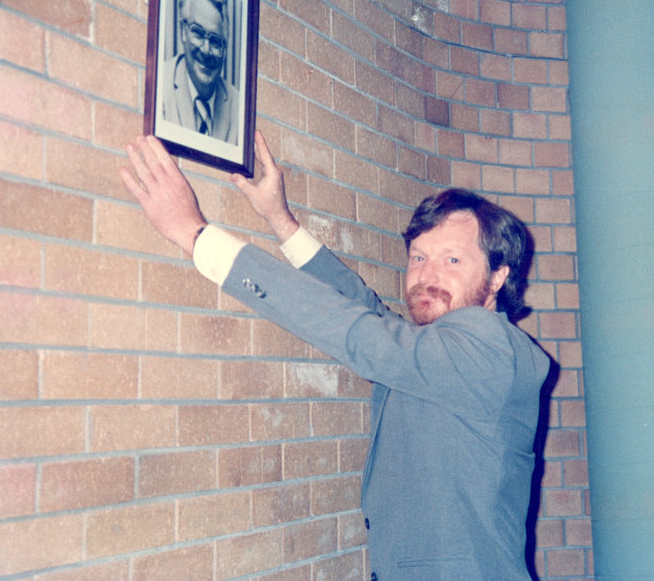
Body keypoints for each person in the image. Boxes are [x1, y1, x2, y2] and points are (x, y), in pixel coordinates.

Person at [120, 132, 550, 580]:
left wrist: (196, 235)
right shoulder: (444, 352)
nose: (427, 275)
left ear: (498, 277)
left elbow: (362, 334)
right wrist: (280, 219)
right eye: (419, 257)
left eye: (452, 261)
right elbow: (368, 313)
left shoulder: (490, 347)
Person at [160, 0, 237, 143]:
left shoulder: (238, 106)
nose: (206, 50)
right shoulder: (159, 84)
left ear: (225, 48)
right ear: (183, 31)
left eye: (216, 41)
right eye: (198, 33)